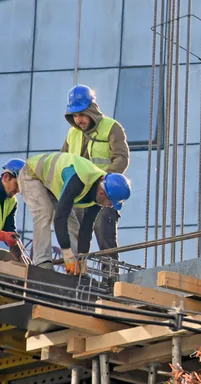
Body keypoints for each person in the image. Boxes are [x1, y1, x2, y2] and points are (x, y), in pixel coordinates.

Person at [18, 152, 131, 275]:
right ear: (102, 193)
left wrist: (82, 257)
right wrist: (67, 253)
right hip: (32, 174)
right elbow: (60, 218)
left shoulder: (99, 192)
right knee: (44, 214)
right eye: (110, 202)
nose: (110, 206)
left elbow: (87, 228)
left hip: (53, 184)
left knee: (73, 226)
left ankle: (76, 268)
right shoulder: (79, 180)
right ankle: (42, 262)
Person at [61, 84, 130, 262]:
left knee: (105, 238)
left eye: (82, 114)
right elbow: (63, 162)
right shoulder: (72, 134)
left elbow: (121, 158)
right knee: (75, 239)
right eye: (75, 115)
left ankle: (110, 280)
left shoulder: (111, 127)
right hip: (79, 194)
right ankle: (77, 275)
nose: (79, 120)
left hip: (103, 193)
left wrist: (104, 182)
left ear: (92, 110)